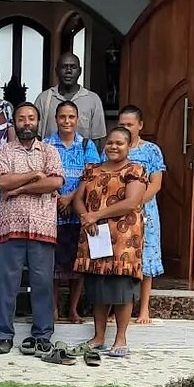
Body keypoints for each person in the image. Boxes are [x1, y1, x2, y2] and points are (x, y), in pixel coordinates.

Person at [0, 103, 64, 356]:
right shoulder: (4, 150)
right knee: (5, 284)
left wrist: (20, 188)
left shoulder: (49, 151)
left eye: (31, 118)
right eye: (21, 119)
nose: (26, 123)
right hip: (10, 227)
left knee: (42, 284)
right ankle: (2, 335)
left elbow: (55, 182)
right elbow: (2, 181)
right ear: (14, 122)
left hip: (43, 227)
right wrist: (34, 175)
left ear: (38, 122)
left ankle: (43, 335)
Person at [72, 125, 147, 359]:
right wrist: (85, 215)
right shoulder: (92, 170)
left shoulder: (134, 170)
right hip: (96, 237)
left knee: (121, 289)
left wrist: (96, 215)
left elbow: (132, 202)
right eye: (110, 143)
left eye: (119, 143)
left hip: (123, 241)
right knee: (98, 288)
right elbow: (78, 199)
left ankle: (121, 338)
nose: (114, 147)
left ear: (128, 146)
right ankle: (98, 337)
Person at [46, 100, 100, 323]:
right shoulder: (47, 144)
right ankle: (54, 309)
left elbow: (92, 177)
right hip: (52, 210)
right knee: (54, 265)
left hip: (79, 210)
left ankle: (73, 310)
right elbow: (42, 174)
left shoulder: (87, 145)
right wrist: (59, 197)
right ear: (56, 119)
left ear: (78, 120)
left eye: (71, 117)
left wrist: (71, 198)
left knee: (78, 264)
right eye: (62, 117)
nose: (66, 121)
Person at [117, 104, 166, 323]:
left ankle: (144, 308)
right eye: (122, 124)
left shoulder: (151, 150)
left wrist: (135, 202)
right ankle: (116, 308)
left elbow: (156, 184)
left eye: (130, 124)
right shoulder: (114, 146)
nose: (125, 128)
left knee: (146, 258)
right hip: (119, 210)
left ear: (140, 125)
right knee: (120, 257)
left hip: (146, 210)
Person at [35, 53, 107, 143]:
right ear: (56, 71)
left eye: (73, 67)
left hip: (82, 156)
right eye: (64, 67)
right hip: (49, 155)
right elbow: (36, 137)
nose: (68, 71)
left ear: (80, 71)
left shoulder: (93, 100)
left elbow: (97, 140)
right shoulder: (44, 99)